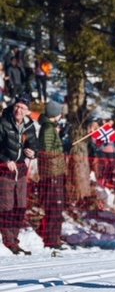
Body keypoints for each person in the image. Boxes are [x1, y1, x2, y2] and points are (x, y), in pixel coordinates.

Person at [0, 94, 38, 255]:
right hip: (5, 170)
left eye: (23, 108)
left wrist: (32, 152)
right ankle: (8, 241)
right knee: (6, 206)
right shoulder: (3, 123)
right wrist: (5, 159)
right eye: (17, 106)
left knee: (20, 206)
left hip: (21, 170)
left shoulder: (29, 127)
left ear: (28, 111)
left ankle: (15, 239)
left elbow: (34, 144)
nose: (19, 110)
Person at [37, 100, 67, 249]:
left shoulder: (50, 128)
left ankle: (54, 237)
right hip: (52, 173)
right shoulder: (48, 128)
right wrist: (63, 149)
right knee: (54, 207)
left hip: (55, 171)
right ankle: (52, 239)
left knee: (57, 207)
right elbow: (46, 152)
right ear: (55, 114)